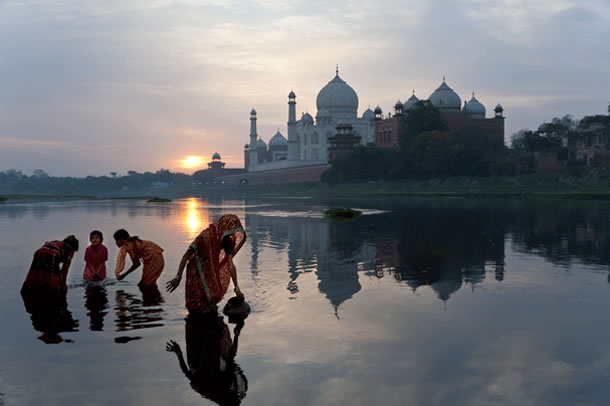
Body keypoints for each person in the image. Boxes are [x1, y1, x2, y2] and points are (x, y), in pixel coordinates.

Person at [166, 214, 246, 314]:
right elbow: (187, 254)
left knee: (210, 301)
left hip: (209, 271)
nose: (232, 235)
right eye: (230, 231)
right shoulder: (206, 236)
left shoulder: (226, 241)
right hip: (196, 270)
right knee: (197, 304)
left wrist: (237, 288)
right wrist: (178, 277)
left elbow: (230, 265)